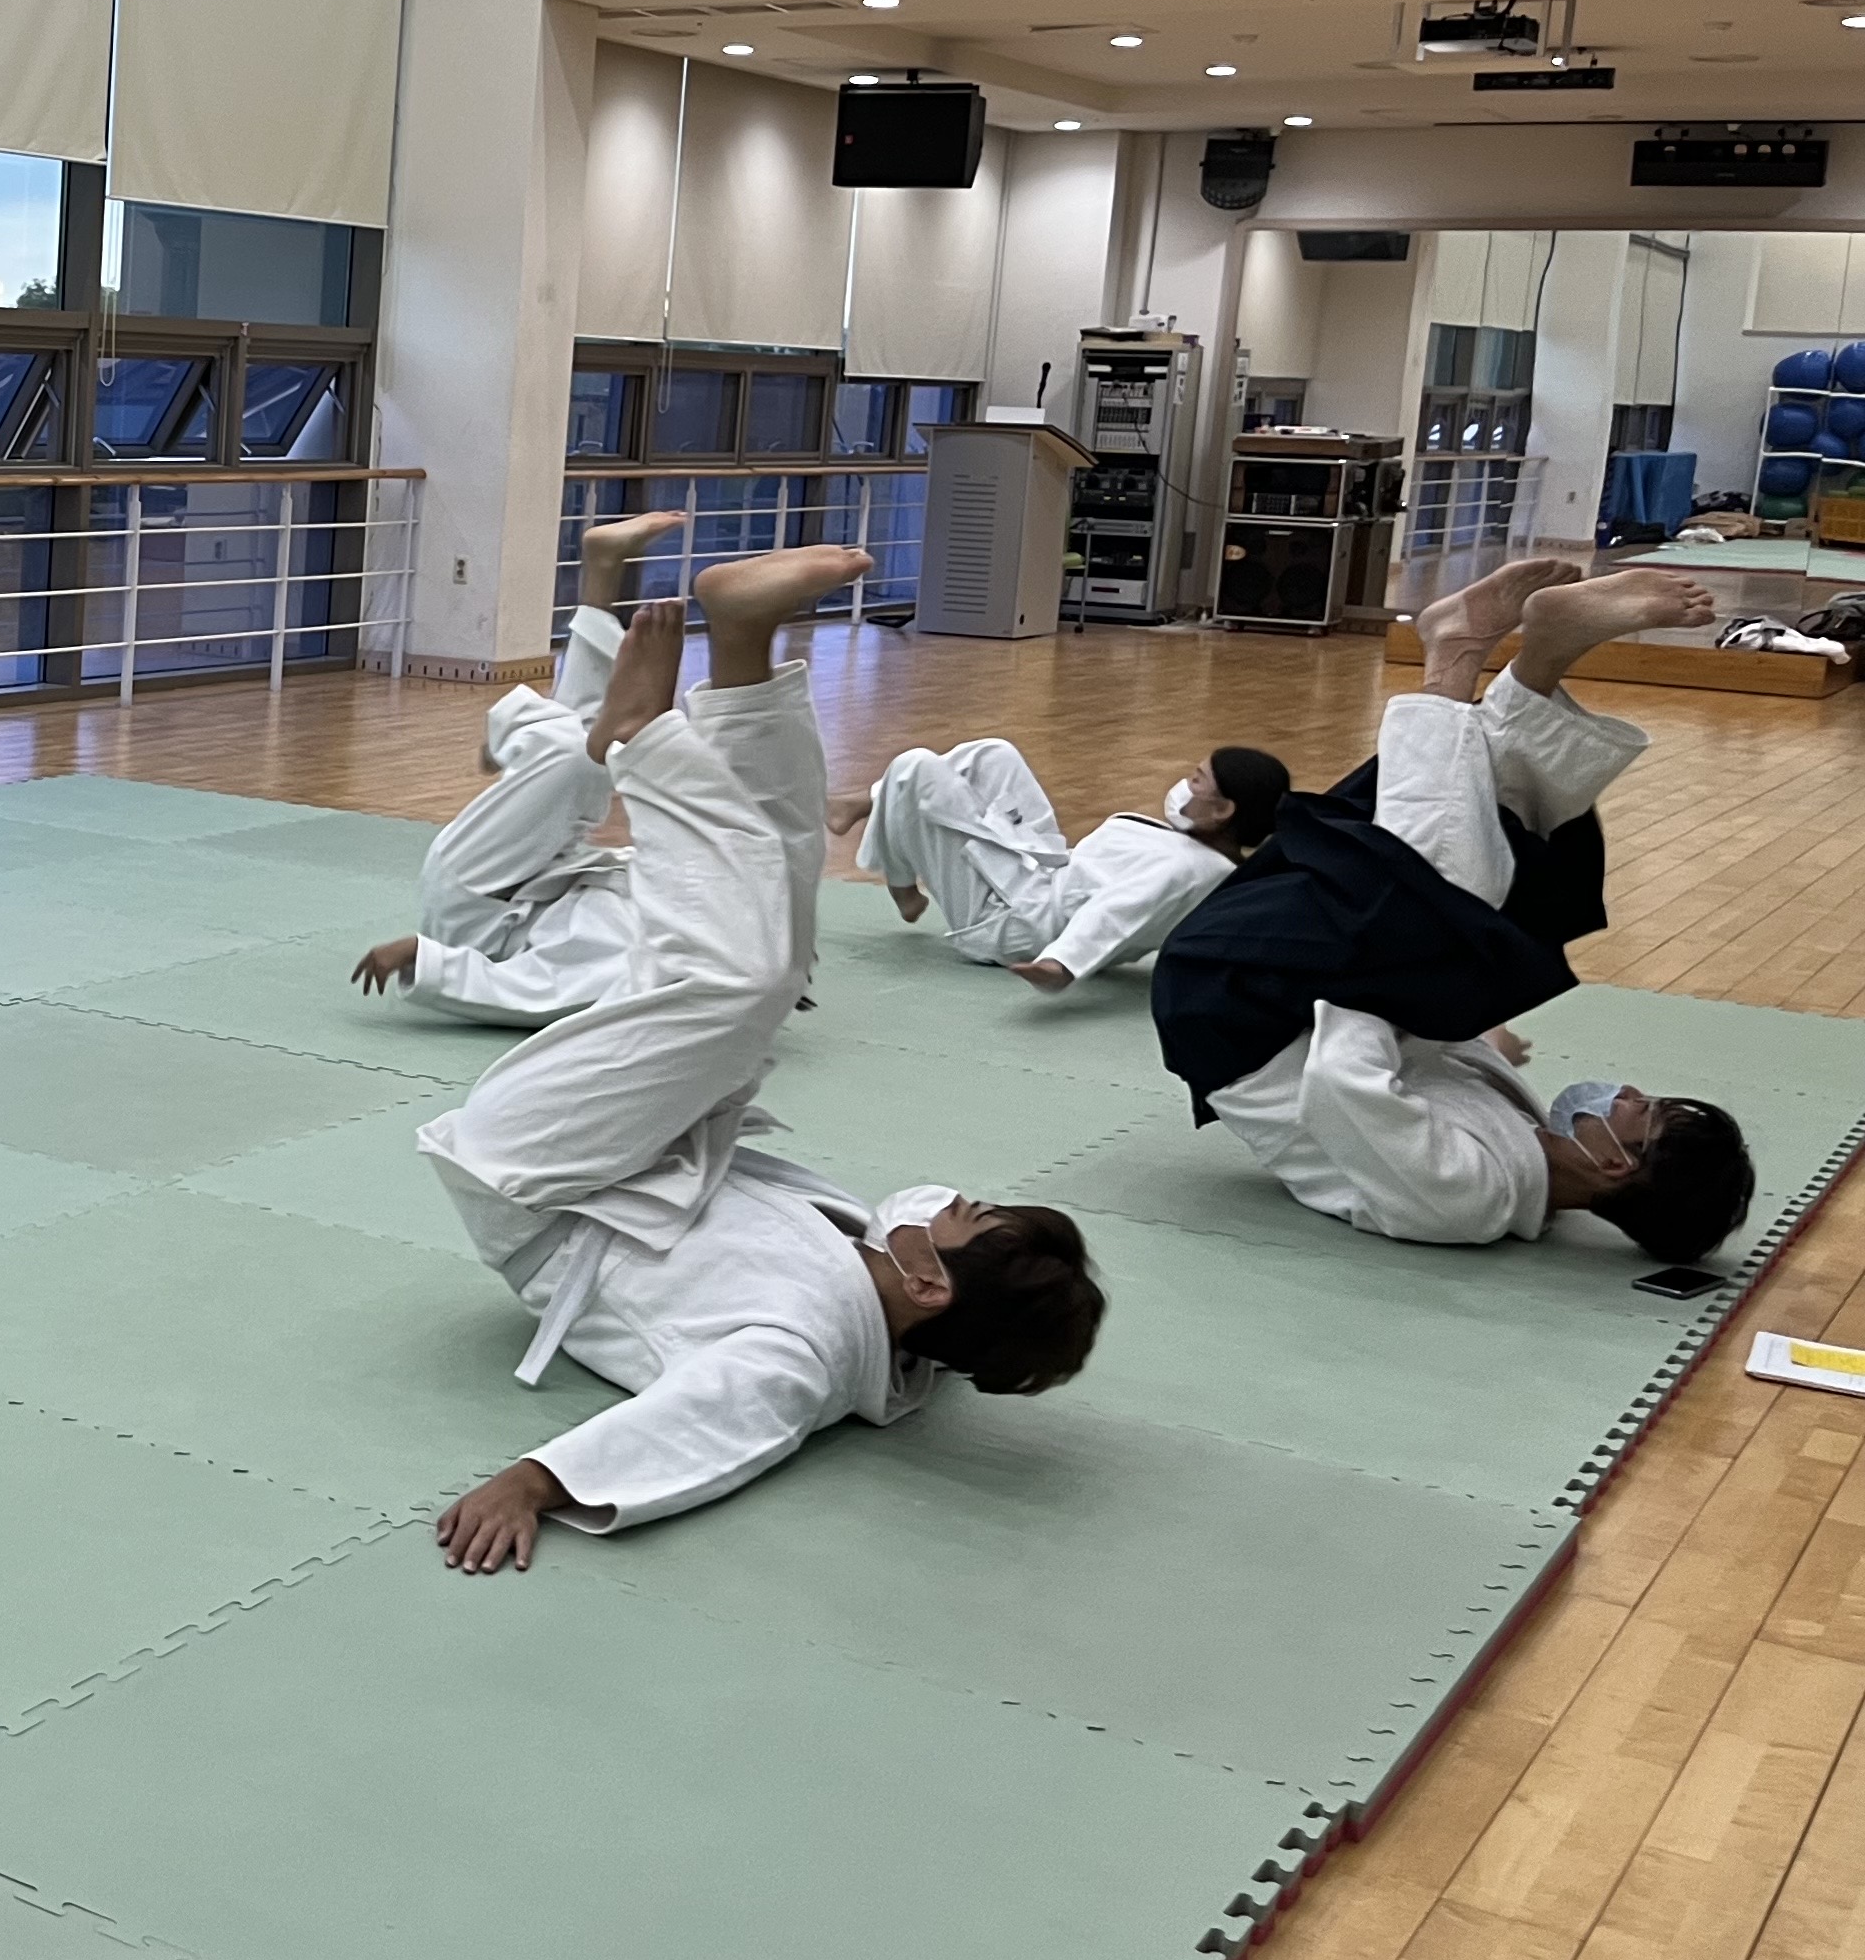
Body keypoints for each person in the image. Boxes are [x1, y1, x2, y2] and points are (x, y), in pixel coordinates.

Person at [423, 549, 1107, 1574]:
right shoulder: (891, 1286)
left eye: (969, 1214)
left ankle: (640, 737)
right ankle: (744, 656)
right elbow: (934, 1250)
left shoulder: (800, 1356)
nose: (954, 1198)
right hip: (639, 1157)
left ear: (929, 1283)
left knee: (742, 981)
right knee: (781, 918)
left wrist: (535, 1480)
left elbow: (702, 1427)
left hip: (539, 1179)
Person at [1154, 557, 1757, 1261]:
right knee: (1538, 884)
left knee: (1443, 905)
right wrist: (1472, 1032)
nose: (1627, 1091)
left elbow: (1343, 1081)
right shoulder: (1526, 1143)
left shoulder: (1472, 1199)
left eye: (1642, 1112)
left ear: (1616, 1164)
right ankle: (1537, 669)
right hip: (1289, 993)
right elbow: (1418, 1067)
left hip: (1232, 1007)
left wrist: (1442, 995)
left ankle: (1455, 653)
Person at [351, 508, 806, 1027]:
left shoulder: (629, 977)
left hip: (478, 906)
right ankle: (604, 572)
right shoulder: (692, 909)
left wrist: (425, 957)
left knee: (579, 755)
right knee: (599, 754)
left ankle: (516, 730)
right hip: (557, 869)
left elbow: (518, 994)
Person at [835, 740, 1290, 992]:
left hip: (1011, 924)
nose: (1185, 783)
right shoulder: (1198, 849)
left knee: (914, 767)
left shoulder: (1188, 870)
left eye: (1197, 780)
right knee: (995, 755)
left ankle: (899, 881)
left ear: (1223, 810)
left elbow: (1115, 912)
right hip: (1043, 875)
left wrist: (1060, 964)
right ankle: (867, 806)